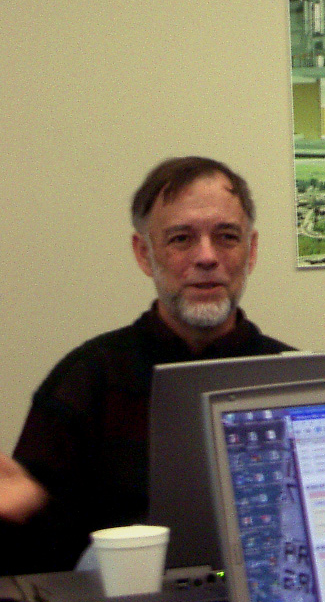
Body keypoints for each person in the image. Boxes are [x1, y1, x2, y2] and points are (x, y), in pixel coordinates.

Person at [0, 156, 293, 574]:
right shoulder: (87, 380)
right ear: (144, 253)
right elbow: (30, 568)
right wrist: (20, 515)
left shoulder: (294, 378)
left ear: (252, 251)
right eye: (181, 239)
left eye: (227, 237)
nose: (207, 257)